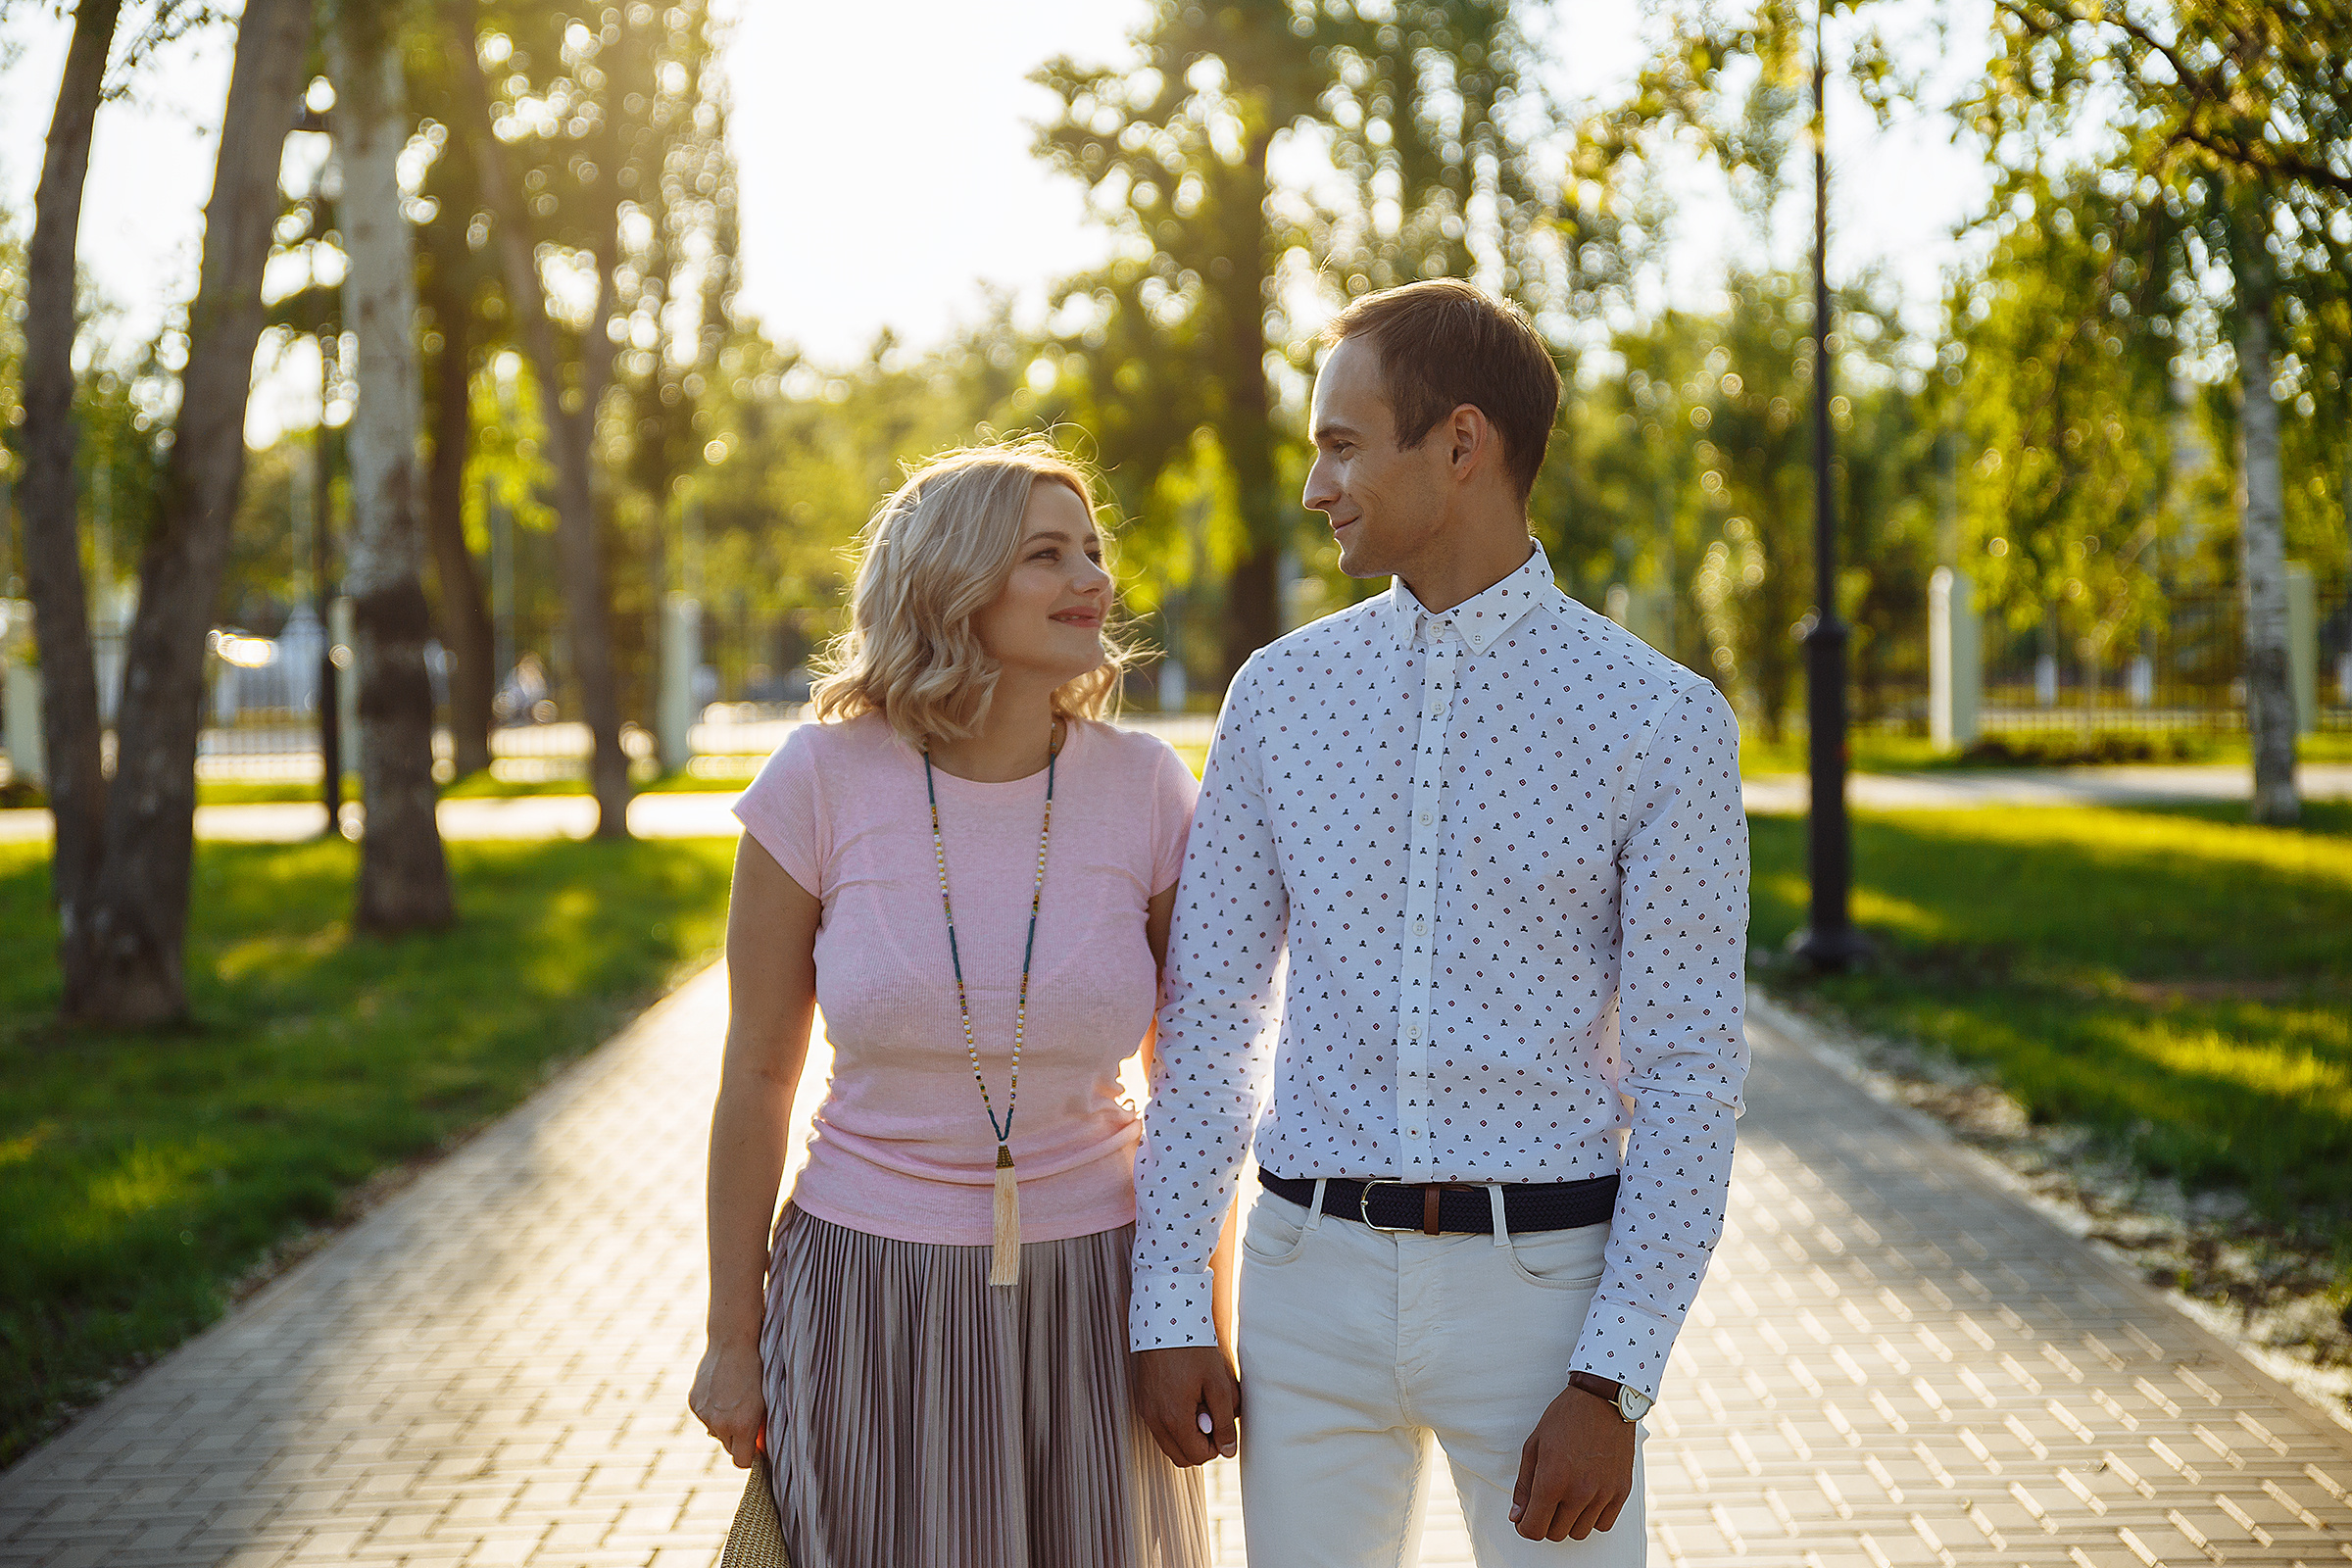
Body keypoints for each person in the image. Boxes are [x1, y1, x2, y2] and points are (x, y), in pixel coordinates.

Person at [1129, 279, 1750, 1564]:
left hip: (1543, 1310)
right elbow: (1211, 1024)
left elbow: (1690, 1078)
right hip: (1304, 1290)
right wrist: (1170, 1299)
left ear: (1461, 445)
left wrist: (1616, 1380)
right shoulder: (1280, 697)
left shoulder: (1658, 718)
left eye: (1342, 444)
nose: (1316, 486)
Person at [690, 440, 1215, 1568]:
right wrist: (731, 1336)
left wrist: (1197, 1316)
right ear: (953, 583)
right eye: (1046, 554)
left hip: (1097, 1290)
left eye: (1092, 550)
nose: (1094, 579)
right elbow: (756, 1076)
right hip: (868, 1293)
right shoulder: (817, 782)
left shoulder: (1147, 787)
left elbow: (1201, 1081)